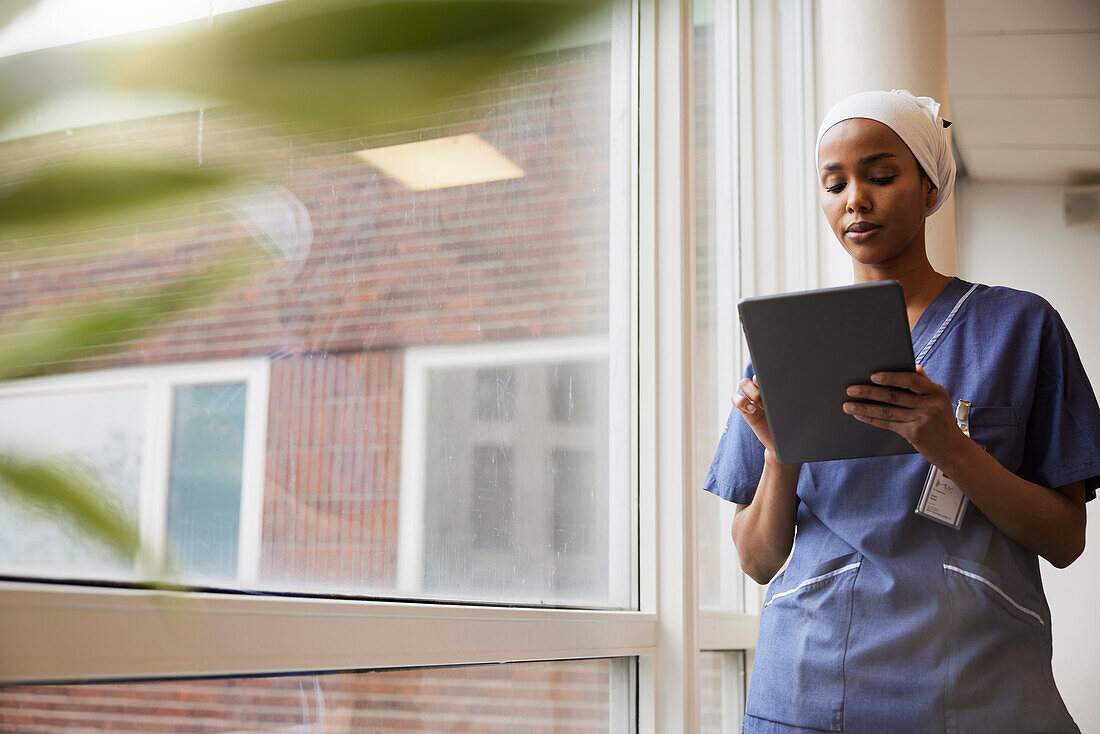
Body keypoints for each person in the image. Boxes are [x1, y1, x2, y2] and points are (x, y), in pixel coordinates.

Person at [703, 89, 1100, 734]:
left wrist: (949, 444)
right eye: (834, 184)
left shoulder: (1020, 327)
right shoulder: (791, 342)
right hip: (811, 683)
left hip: (977, 683)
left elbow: (1065, 538)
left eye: (880, 176)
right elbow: (756, 559)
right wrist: (781, 454)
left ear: (928, 186)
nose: (855, 199)